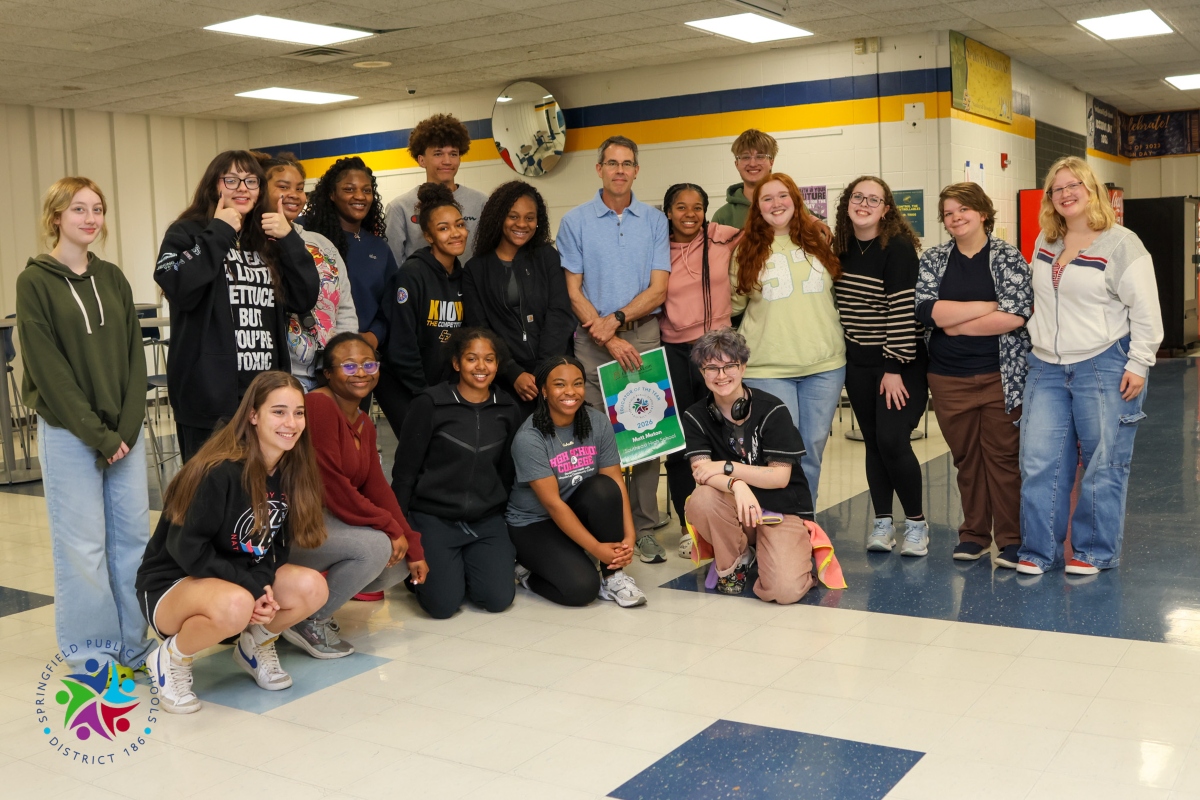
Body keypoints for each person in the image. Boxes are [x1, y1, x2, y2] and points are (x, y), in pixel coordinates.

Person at [16, 177, 151, 673]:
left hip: (125, 434)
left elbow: (136, 358)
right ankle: (92, 654)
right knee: (83, 547)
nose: (91, 218)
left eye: (97, 209)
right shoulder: (34, 282)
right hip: (70, 433)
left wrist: (129, 429)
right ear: (56, 217)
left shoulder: (113, 277)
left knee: (134, 541)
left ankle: (134, 646)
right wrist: (99, 434)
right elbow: (48, 369)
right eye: (78, 209)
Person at [135, 371, 329, 714]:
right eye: (279, 411)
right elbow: (187, 549)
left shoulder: (291, 467)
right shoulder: (218, 469)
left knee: (312, 587)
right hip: (172, 583)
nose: (292, 422)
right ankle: (171, 658)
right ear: (253, 415)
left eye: (298, 412)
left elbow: (276, 545)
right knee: (237, 604)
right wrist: (250, 589)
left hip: (233, 577)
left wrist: (262, 584)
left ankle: (255, 645)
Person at [1017, 157, 1163, 576]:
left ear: (1091, 188)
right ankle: (1038, 550)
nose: (1065, 193)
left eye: (1073, 185)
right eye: (1056, 188)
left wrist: (1139, 362)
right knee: (1039, 459)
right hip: (1045, 366)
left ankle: (1094, 551)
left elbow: (1147, 312)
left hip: (1104, 363)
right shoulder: (1046, 241)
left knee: (1104, 459)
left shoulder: (1121, 243)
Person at [155, 150, 319, 461]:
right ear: (213, 186)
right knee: (208, 491)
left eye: (251, 181)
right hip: (209, 397)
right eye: (231, 180)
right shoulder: (187, 232)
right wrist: (218, 231)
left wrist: (290, 240)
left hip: (264, 393)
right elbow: (177, 285)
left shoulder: (268, 236)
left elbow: (304, 297)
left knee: (263, 489)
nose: (242, 188)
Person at [558, 134, 671, 564]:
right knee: (590, 433)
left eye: (627, 163)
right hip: (591, 339)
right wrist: (606, 334)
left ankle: (642, 528)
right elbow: (573, 290)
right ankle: (593, 525)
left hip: (640, 335)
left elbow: (658, 290)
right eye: (612, 163)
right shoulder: (576, 221)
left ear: (637, 171)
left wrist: (619, 322)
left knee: (644, 436)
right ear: (599, 169)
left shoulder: (654, 221)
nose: (620, 170)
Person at [285, 332, 429, 656]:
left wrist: (412, 541)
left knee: (402, 558)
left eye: (368, 364)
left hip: (327, 522)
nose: (361, 372)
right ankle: (307, 620)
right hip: (295, 526)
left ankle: (309, 607)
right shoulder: (318, 406)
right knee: (375, 547)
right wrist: (390, 530)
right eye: (348, 366)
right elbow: (332, 487)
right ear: (328, 373)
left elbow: (376, 487)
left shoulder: (364, 420)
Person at [915, 183, 1032, 564]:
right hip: (949, 378)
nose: (956, 217)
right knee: (966, 459)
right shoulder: (934, 259)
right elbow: (928, 312)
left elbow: (1016, 315)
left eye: (964, 209)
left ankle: (1011, 540)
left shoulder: (1007, 256)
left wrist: (957, 321)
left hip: (1000, 376)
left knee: (1002, 458)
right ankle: (975, 534)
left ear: (983, 213)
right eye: (948, 213)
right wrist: (986, 306)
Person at [731, 172, 845, 507]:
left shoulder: (821, 241)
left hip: (824, 366)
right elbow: (733, 306)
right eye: (767, 199)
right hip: (767, 367)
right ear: (757, 207)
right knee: (778, 456)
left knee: (811, 451)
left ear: (796, 201)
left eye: (783, 196)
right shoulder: (745, 251)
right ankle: (775, 526)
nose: (776, 204)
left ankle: (805, 524)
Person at [392, 329, 519, 618]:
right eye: (472, 358)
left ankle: (460, 565)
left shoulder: (508, 408)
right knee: (442, 606)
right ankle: (433, 570)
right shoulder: (430, 403)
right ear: (456, 363)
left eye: (489, 359)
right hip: (433, 518)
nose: (481, 367)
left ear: (497, 365)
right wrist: (401, 533)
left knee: (497, 600)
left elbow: (507, 472)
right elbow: (404, 473)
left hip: (485, 520)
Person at [832, 176, 929, 553]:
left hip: (899, 363)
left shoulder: (898, 248)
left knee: (892, 439)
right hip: (858, 363)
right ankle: (883, 523)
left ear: (886, 209)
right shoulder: (840, 248)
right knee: (873, 442)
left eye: (874, 199)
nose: (865, 204)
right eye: (858, 196)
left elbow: (904, 312)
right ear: (847, 203)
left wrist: (892, 367)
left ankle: (917, 525)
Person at [682, 329, 815, 602]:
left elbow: (779, 477)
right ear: (702, 372)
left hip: (780, 508)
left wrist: (729, 468)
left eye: (729, 366)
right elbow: (702, 472)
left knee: (784, 591)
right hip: (735, 506)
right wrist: (737, 485)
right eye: (712, 368)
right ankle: (736, 560)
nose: (721, 375)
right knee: (702, 499)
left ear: (742, 367)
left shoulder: (773, 409)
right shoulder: (695, 416)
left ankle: (788, 550)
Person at [506, 356, 647, 608]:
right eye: (560, 385)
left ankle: (614, 577)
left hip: (574, 510)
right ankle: (526, 573)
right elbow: (553, 505)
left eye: (577, 383)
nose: (570, 392)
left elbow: (615, 479)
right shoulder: (530, 438)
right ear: (544, 391)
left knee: (603, 488)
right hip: (534, 523)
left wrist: (629, 533)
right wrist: (596, 547)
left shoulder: (598, 422)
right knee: (581, 590)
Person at [659, 182, 741, 558]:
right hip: (674, 350)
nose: (689, 214)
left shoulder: (722, 237)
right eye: (680, 207)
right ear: (668, 211)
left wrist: (814, 224)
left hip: (717, 349)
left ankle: (729, 514)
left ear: (707, 210)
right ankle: (685, 524)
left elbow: (768, 227)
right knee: (680, 442)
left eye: (697, 207)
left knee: (725, 435)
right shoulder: (656, 245)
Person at [462, 180, 575, 417]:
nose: (522, 224)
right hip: (504, 379)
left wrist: (545, 371)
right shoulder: (476, 269)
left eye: (529, 217)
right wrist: (513, 373)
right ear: (498, 217)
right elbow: (481, 330)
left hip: (553, 373)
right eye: (513, 216)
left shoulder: (547, 257)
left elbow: (560, 313)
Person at [254, 151, 358, 390]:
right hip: (279, 377)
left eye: (300, 188)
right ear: (260, 190)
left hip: (328, 372)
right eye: (283, 186)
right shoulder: (251, 245)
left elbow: (344, 308)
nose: (294, 195)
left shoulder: (321, 244)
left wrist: (345, 358)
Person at [376, 182, 468, 435]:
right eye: (443, 228)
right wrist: (426, 394)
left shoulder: (464, 277)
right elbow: (402, 345)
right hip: (407, 386)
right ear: (428, 236)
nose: (455, 233)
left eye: (460, 225)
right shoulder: (411, 275)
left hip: (442, 387)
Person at [385, 113, 488, 264]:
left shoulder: (481, 202)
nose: (447, 161)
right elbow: (393, 263)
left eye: (453, 154)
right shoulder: (400, 208)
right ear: (421, 160)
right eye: (438, 154)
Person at [712, 129, 777, 229]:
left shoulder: (791, 207)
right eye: (745, 157)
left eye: (760, 156)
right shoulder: (722, 217)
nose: (752, 163)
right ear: (736, 164)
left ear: (771, 162)